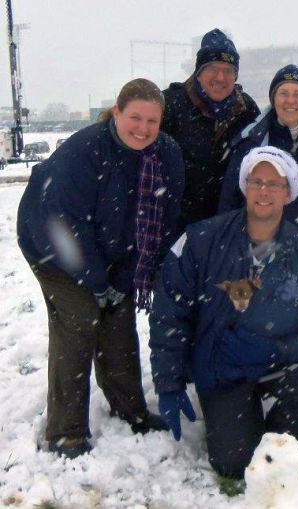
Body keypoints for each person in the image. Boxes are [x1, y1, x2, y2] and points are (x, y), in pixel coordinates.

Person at [149, 146, 298, 479]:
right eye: (256, 181)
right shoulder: (201, 240)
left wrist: (282, 349)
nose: (264, 191)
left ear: (288, 193)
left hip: (276, 362)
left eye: (274, 184)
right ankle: (239, 427)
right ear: (244, 186)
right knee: (234, 464)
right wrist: (168, 381)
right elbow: (169, 313)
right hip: (223, 371)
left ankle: (275, 440)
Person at [17, 78, 185, 459]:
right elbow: (65, 222)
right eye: (135, 117)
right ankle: (65, 432)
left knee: (118, 318)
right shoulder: (86, 151)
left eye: (152, 121)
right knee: (81, 317)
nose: (143, 128)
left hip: (113, 251)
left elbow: (164, 220)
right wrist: (95, 281)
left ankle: (131, 411)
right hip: (51, 243)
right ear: (117, 112)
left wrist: (123, 279)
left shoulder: (167, 155)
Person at [219, 64, 298, 259]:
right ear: (273, 99)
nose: (290, 101)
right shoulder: (251, 140)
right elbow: (230, 199)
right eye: (283, 93)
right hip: (261, 251)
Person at [161, 28, 260, 230]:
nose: (220, 77)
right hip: (176, 228)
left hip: (230, 227)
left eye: (228, 70)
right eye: (212, 68)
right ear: (198, 72)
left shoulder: (246, 110)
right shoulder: (169, 105)